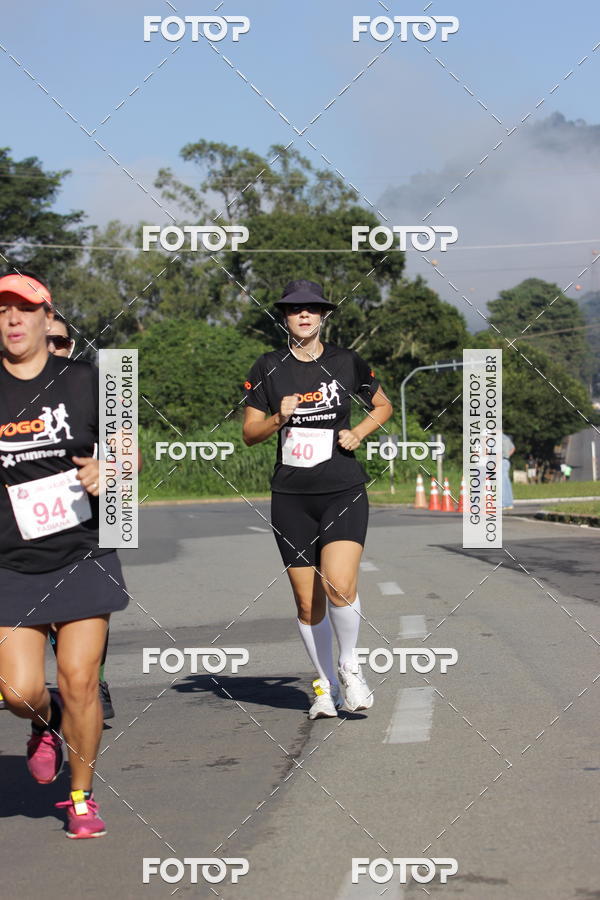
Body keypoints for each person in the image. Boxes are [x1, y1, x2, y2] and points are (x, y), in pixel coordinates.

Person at [0, 272, 131, 838]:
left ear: (46, 317)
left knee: (80, 678)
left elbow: (130, 452)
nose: (12, 319)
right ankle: (45, 720)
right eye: (2, 309)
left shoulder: (88, 379)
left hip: (82, 551)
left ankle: (80, 797)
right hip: (10, 559)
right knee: (18, 692)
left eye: (24, 309)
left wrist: (112, 466)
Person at [243, 280, 393, 719]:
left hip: (342, 488)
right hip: (291, 496)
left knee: (339, 585)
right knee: (308, 602)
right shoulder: (268, 366)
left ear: (323, 315)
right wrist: (279, 417)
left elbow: (381, 406)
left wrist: (358, 431)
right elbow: (250, 434)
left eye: (312, 309)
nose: (304, 316)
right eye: (295, 310)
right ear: (284, 318)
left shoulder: (346, 361)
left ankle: (350, 666)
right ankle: (323, 686)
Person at [45, 312, 115, 720]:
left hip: (86, 524)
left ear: (71, 346)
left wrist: (109, 467)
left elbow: (128, 453)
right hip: (21, 530)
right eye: (48, 341)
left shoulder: (93, 387)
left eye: (61, 342)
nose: (54, 349)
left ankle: (93, 680)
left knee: (83, 611)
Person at [502, 432, 515, 509]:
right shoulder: (506, 438)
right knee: (506, 482)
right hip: (506, 461)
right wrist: (507, 455)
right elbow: (513, 448)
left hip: (500, 460)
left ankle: (503, 503)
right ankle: (509, 503)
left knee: (502, 483)